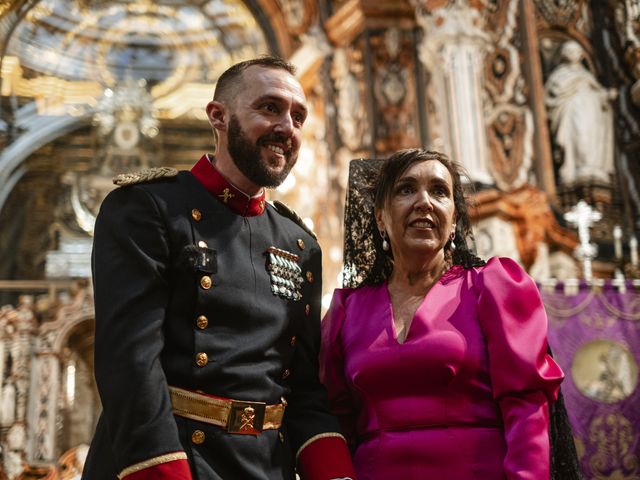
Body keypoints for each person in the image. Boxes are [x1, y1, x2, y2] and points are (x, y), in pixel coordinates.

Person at [82, 56, 355, 480]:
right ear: (218, 117)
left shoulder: (299, 243)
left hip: (265, 467)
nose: (287, 127)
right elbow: (131, 364)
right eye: (269, 108)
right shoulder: (146, 208)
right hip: (170, 458)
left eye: (298, 116)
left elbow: (302, 390)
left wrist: (334, 474)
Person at [321, 149, 579, 479]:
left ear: (455, 218)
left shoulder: (492, 288)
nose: (424, 201)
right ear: (380, 217)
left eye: (439, 191)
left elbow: (526, 411)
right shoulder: (347, 311)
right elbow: (335, 424)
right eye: (406, 189)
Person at [544, 40, 617, 185]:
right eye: (569, 50)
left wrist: (606, 95)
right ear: (563, 54)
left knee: (591, 136)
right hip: (572, 112)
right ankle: (577, 167)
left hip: (591, 113)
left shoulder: (586, 75)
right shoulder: (559, 75)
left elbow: (596, 95)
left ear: (581, 54)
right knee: (580, 136)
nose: (572, 53)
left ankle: (593, 167)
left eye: (575, 50)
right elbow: (551, 96)